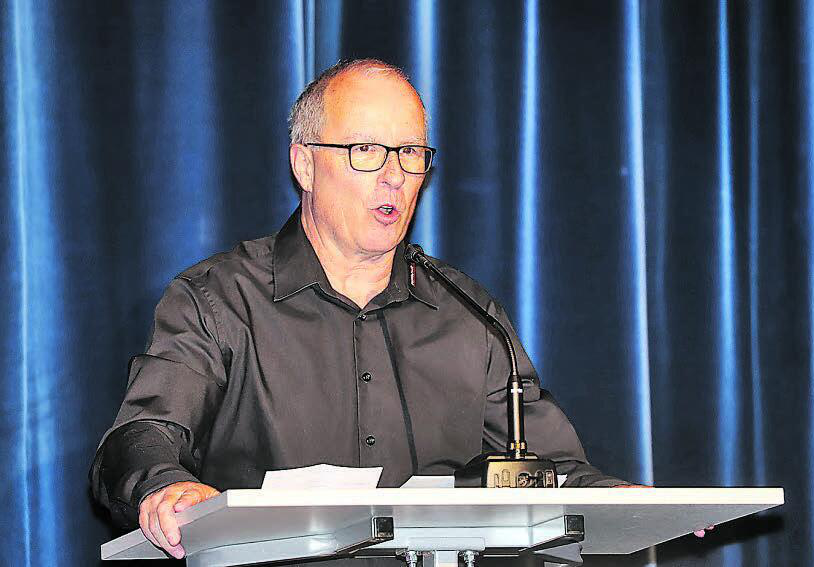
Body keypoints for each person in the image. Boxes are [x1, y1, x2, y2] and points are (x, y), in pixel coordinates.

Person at [90, 58, 634, 562]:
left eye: (411, 153)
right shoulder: (219, 300)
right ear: (304, 164)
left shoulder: (468, 314)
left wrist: (621, 499)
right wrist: (165, 485)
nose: (394, 175)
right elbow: (144, 434)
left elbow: (553, 469)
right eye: (367, 150)